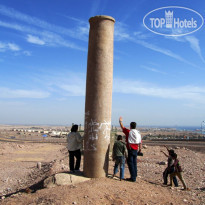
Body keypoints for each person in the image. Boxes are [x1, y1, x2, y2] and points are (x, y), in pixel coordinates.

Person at [119, 116, 142, 182]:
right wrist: (140, 150)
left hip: (130, 149)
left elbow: (122, 127)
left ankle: (133, 177)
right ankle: (135, 175)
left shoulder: (129, 132)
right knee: (134, 163)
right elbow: (140, 142)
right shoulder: (138, 133)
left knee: (130, 163)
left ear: (130, 126)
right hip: (136, 149)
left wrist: (120, 121)